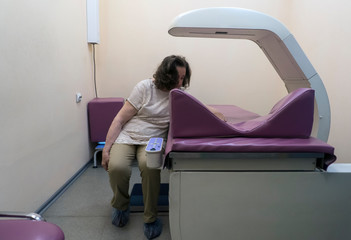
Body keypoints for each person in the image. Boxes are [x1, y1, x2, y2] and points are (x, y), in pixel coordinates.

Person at [102, 55, 191, 239]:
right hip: (128, 136)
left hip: (154, 139)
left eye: (183, 78)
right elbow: (120, 119)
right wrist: (106, 149)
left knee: (150, 167)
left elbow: (199, 108)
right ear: (167, 74)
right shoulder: (144, 87)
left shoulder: (178, 95)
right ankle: (120, 206)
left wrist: (218, 115)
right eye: (177, 77)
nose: (180, 82)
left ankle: (150, 217)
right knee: (117, 167)